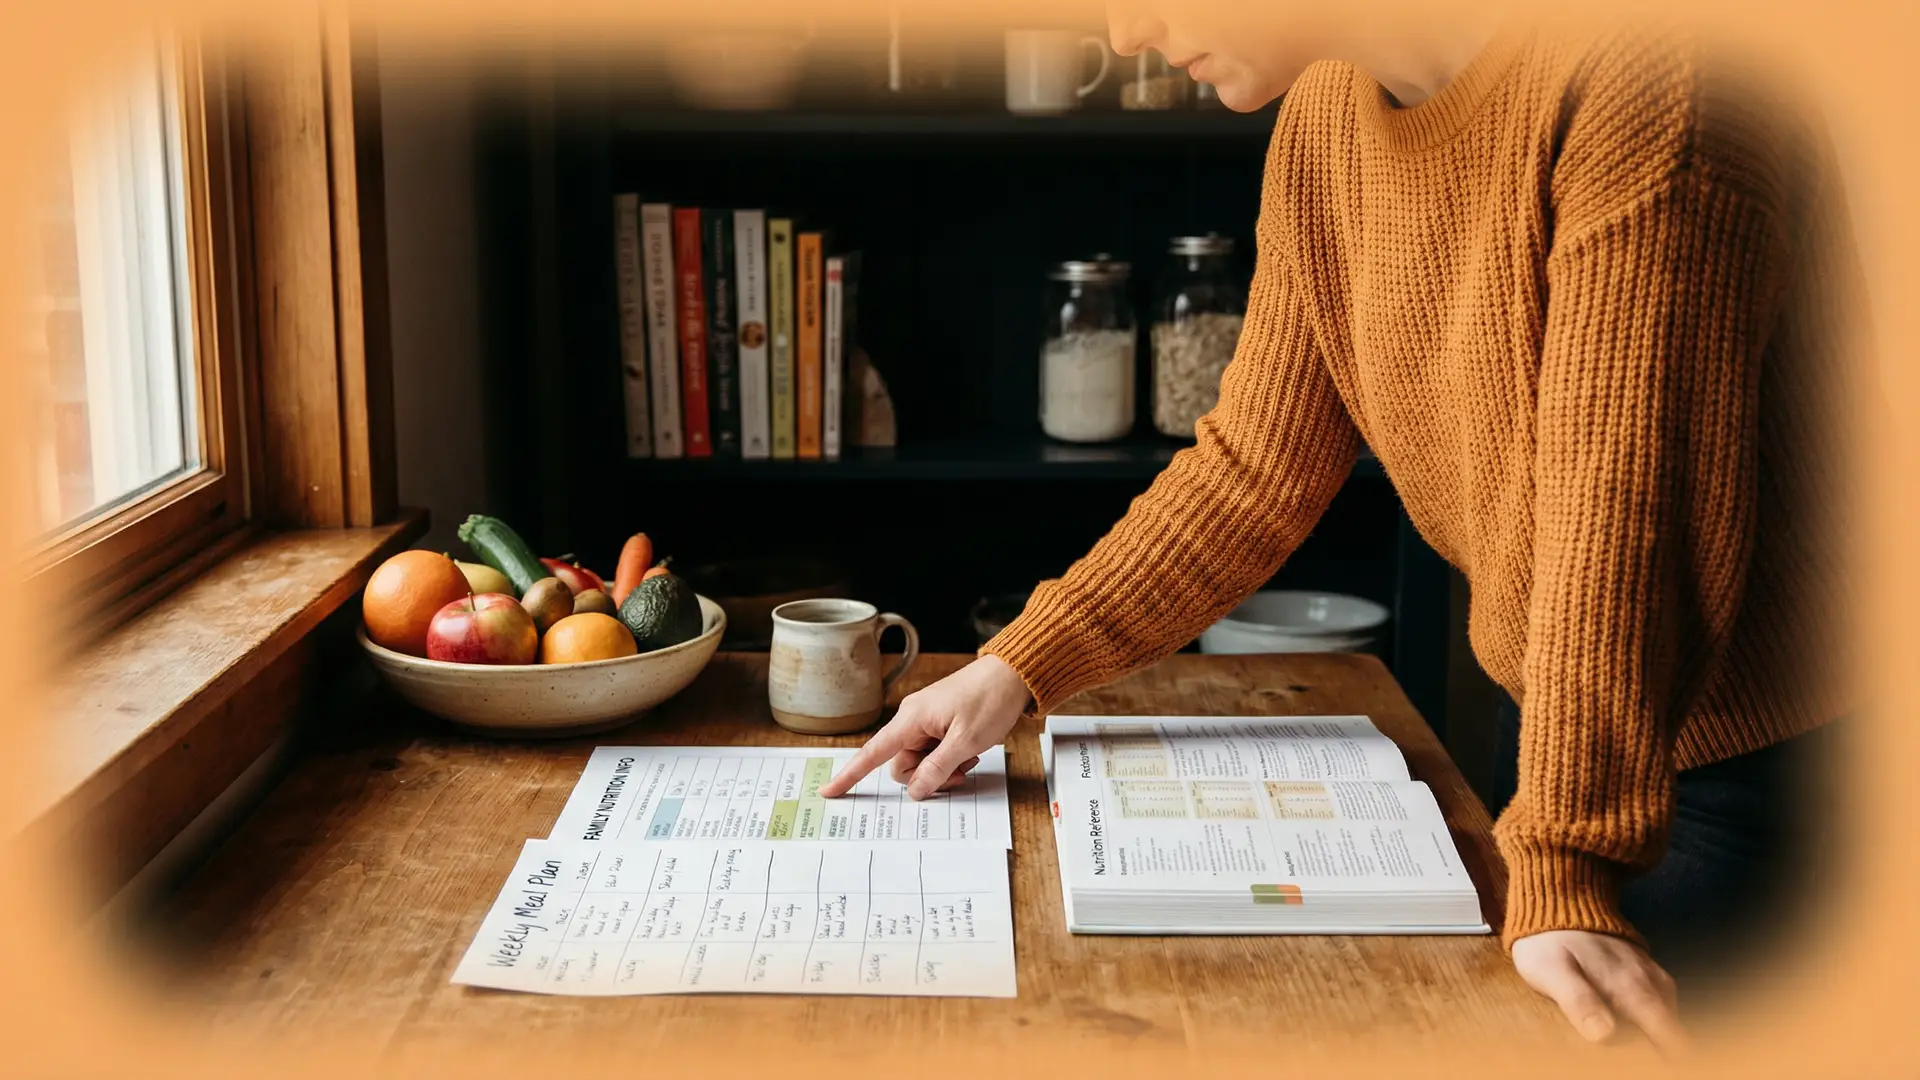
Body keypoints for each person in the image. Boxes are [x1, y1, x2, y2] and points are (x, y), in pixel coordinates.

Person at [821, 5, 1860, 1053]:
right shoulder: (1327, 117)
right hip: (1566, 724)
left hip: (1764, 770)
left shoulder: (1659, 74)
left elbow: (1623, 518)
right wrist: (1013, 671)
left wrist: (1564, 859)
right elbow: (1256, 471)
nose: (1127, 35)